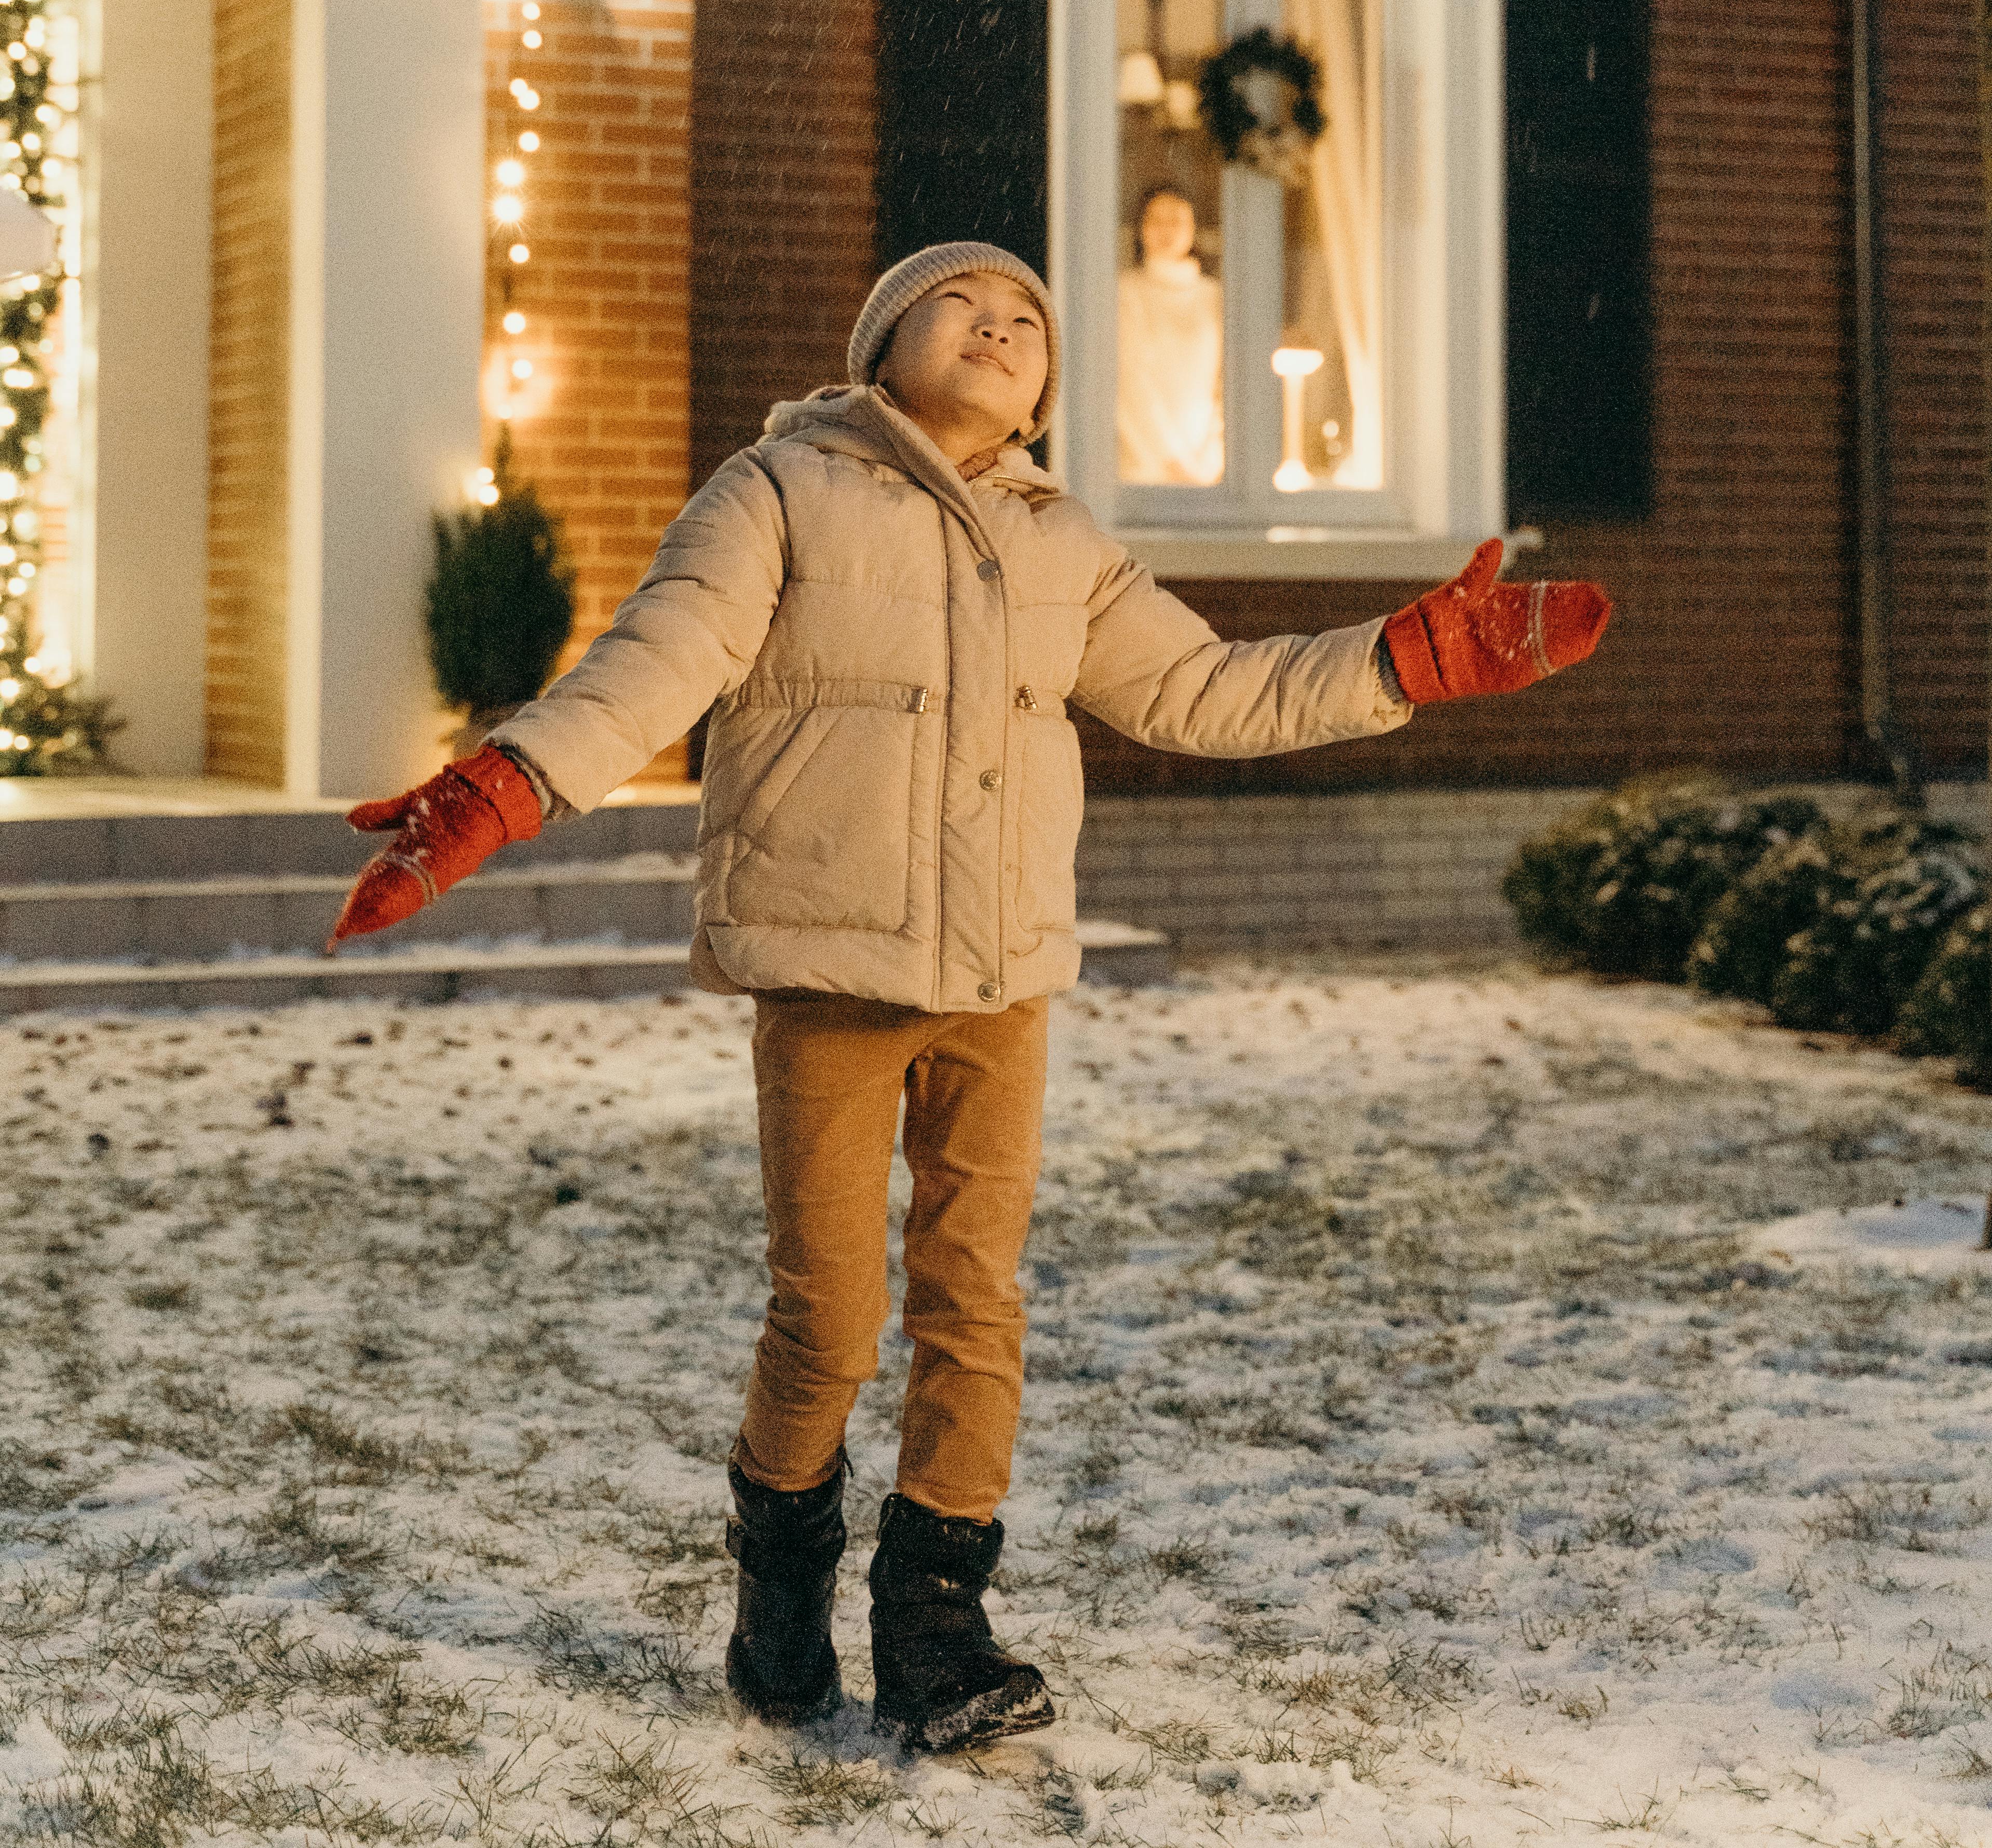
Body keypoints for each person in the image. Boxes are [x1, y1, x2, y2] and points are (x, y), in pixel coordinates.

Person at [328, 241, 1609, 1752]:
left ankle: (938, 1620)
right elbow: (657, 658)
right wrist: (506, 784)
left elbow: (1208, 689)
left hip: (1001, 974)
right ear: (883, 340)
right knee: (830, 1315)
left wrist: (1395, 657)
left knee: (975, 1302)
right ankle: (782, 1573)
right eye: (964, 303)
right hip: (832, 960)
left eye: (1030, 321)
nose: (1001, 325)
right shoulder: (780, 488)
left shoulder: (1059, 537)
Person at [1116, 184, 1224, 486]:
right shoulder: (1125, 293)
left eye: (1176, 220)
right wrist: (1172, 461)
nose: (1166, 230)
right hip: (1138, 469)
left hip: (1207, 472)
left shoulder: (1214, 297)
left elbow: (1226, 385)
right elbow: (1131, 385)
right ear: (1140, 229)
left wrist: (1212, 458)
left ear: (1193, 230)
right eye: (1155, 220)